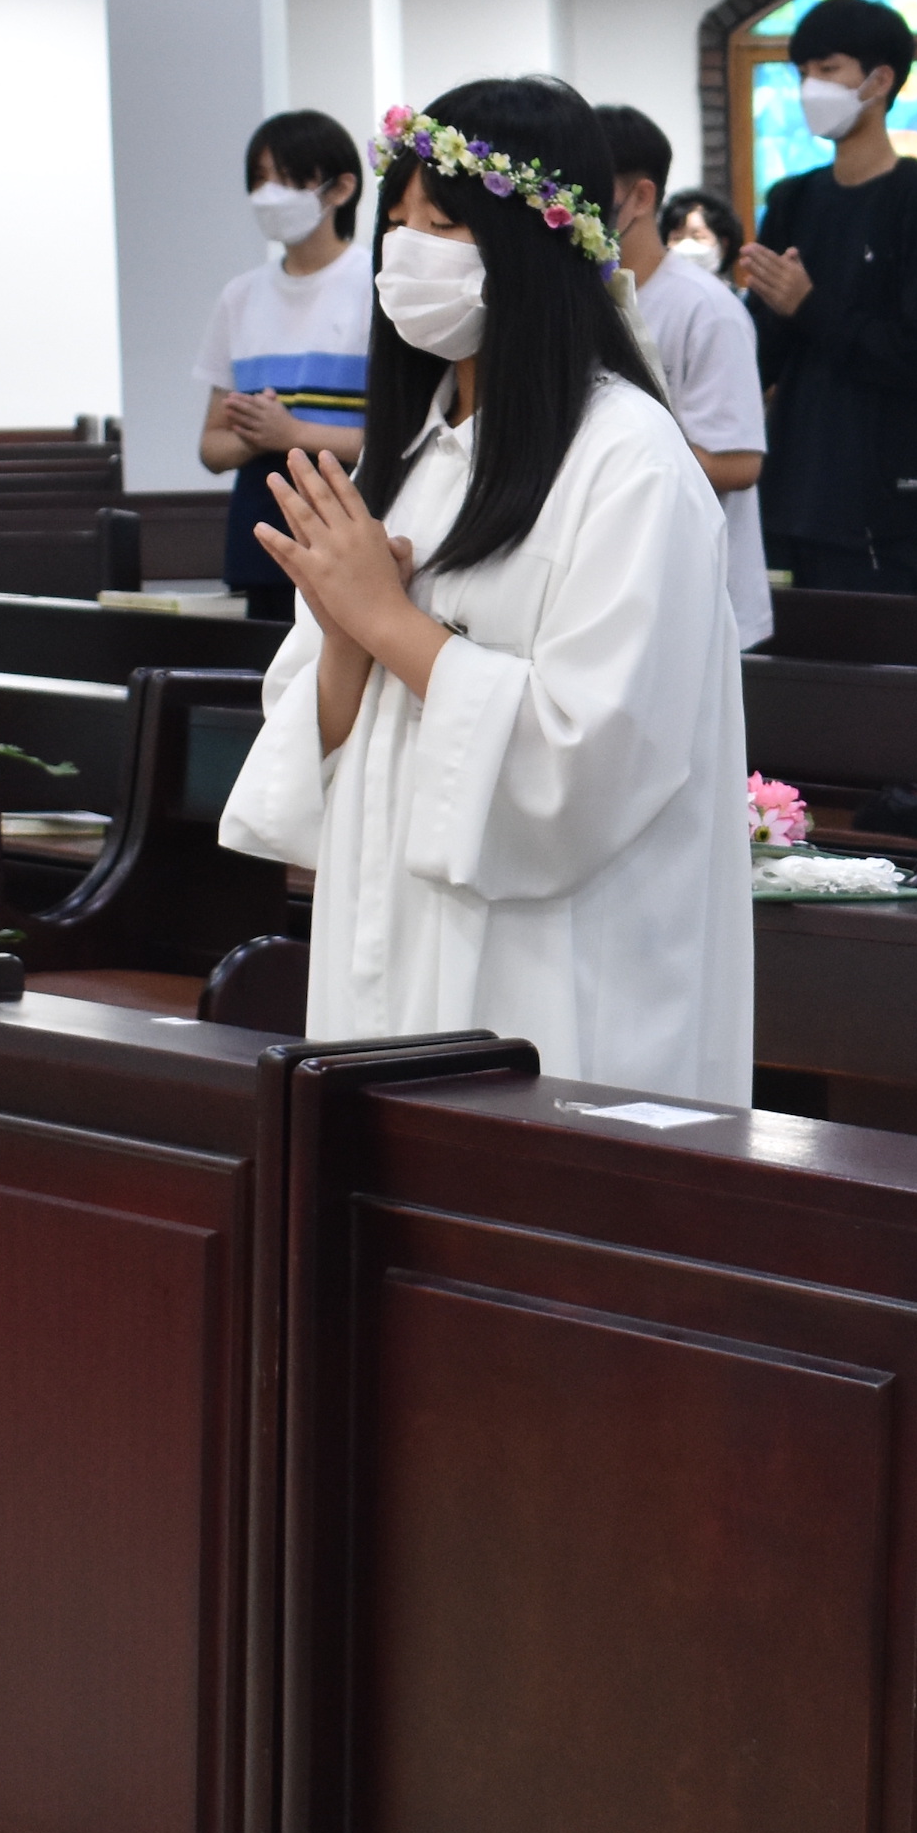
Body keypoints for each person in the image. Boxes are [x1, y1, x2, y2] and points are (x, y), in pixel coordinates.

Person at [218, 78, 751, 1098]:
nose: (406, 250)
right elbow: (312, 737)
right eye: (398, 221)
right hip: (386, 919)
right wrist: (345, 638)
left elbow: (589, 758)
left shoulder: (628, 460)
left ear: (532, 244)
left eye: (444, 224)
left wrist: (386, 619)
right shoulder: (408, 455)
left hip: (553, 957)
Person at [735, 0, 917, 593]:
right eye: (802, 73)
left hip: (883, 493)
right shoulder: (793, 199)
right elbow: (761, 355)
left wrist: (809, 306)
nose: (810, 88)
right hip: (794, 484)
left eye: (827, 70)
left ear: (879, 81)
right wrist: (764, 310)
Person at [191, 109, 374, 622]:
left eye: (289, 179)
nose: (270, 194)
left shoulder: (374, 284)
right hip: (263, 534)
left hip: (353, 528)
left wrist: (291, 433)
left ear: (341, 188)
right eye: (260, 178)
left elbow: (401, 440)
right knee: (265, 667)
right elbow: (211, 447)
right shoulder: (240, 296)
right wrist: (256, 437)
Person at [603, 103, 772, 652]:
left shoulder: (706, 308)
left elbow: (738, 463)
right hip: (614, 585)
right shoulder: (578, 301)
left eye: (588, 185)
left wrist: (605, 455)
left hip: (700, 596)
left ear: (640, 197)